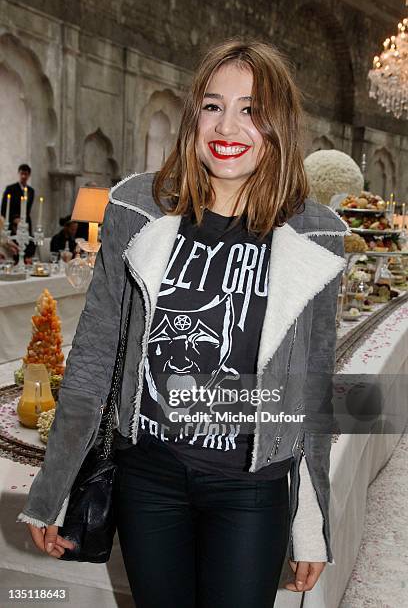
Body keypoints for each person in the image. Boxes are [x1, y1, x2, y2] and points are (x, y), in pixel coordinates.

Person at [17, 38, 348, 607]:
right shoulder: (137, 208)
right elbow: (95, 357)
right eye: (213, 105)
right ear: (194, 115)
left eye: (252, 110)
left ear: (279, 127)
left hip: (251, 485)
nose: (228, 126)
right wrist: (51, 488)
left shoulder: (316, 233)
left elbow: (311, 385)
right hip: (149, 477)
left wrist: (312, 524)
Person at [1, 164, 35, 236]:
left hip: (25, 223)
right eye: (21, 173)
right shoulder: (10, 189)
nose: (23, 176)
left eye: (26, 174)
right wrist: (14, 219)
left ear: (29, 175)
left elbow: (28, 209)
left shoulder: (31, 191)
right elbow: (3, 208)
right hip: (12, 224)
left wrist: (23, 221)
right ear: (18, 174)